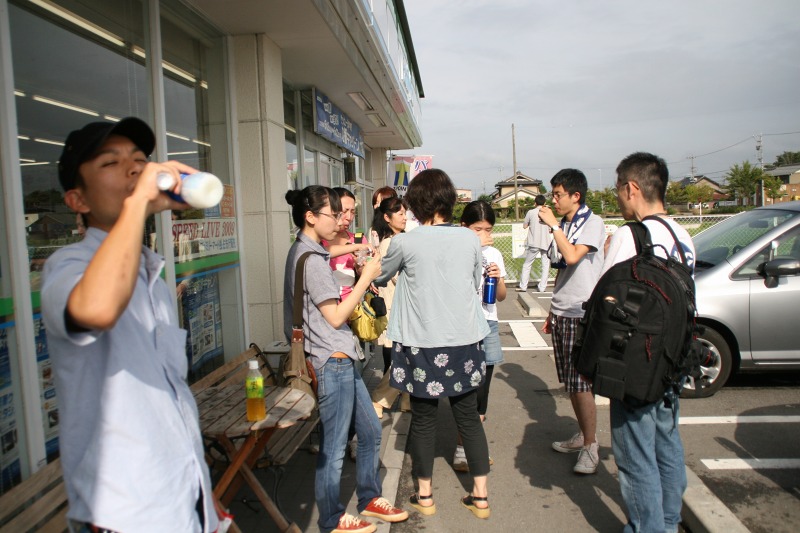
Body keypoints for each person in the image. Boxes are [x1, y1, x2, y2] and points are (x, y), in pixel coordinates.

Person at [40, 117, 219, 532]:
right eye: (111, 162)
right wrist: (138, 203)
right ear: (77, 201)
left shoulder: (149, 275)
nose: (135, 169)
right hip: (125, 514)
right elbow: (97, 309)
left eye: (140, 159)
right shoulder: (67, 266)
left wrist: (201, 493)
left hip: (180, 499)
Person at [284, 186, 408, 533]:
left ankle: (369, 497)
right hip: (331, 359)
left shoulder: (307, 250)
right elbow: (336, 316)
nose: (340, 220)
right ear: (311, 217)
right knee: (335, 447)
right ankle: (331, 518)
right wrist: (365, 278)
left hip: (340, 357)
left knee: (370, 430)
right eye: (333, 214)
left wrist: (356, 255)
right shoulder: (312, 261)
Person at [374, 169, 492, 519]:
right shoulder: (470, 239)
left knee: (424, 419)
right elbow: (474, 281)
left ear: (416, 204)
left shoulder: (405, 242)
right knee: (468, 418)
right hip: (464, 340)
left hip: (421, 343)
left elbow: (381, 274)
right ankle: (480, 497)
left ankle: (424, 496)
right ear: (449, 200)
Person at [603, 152, 695, 533]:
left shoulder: (631, 235)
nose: (618, 197)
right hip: (674, 358)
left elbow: (606, 298)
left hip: (638, 363)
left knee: (635, 454)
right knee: (666, 443)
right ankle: (669, 522)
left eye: (618, 189)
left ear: (632, 188)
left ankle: (647, 528)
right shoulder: (682, 236)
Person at [538, 168, 606, 475]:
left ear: (576, 195)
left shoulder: (592, 223)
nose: (554, 200)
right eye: (553, 194)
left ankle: (591, 446)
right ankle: (583, 435)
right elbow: (562, 269)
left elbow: (574, 256)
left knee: (581, 383)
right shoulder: (564, 224)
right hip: (563, 309)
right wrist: (553, 309)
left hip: (582, 311)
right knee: (570, 382)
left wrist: (554, 226)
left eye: (558, 195)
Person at [452, 200, 507, 472]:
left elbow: (501, 296)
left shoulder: (494, 254)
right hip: (464, 325)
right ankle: (464, 448)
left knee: (483, 387)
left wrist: (497, 277)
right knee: (466, 387)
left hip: (489, 323)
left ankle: (469, 447)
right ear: (464, 227)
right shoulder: (456, 251)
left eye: (488, 229)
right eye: (478, 229)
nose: (485, 234)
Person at [369, 197, 411, 418]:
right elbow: (396, 276)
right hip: (396, 309)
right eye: (400, 213)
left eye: (405, 213)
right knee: (403, 359)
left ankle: (405, 399)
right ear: (387, 217)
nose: (404, 217)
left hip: (401, 308)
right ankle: (379, 399)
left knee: (405, 357)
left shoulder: (398, 239)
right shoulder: (389, 243)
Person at [517, 194, 552, 293]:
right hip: (546, 242)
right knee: (545, 265)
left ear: (535, 203)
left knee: (527, 264)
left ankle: (523, 286)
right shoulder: (548, 212)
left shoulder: (531, 212)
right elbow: (551, 228)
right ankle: (542, 287)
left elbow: (525, 226)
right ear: (545, 203)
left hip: (534, 242)